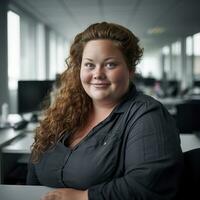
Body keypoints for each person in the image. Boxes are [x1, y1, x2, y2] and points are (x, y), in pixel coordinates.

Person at [26, 22, 184, 200]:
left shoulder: (147, 115)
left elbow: (148, 185)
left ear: (130, 70)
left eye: (110, 65)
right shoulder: (65, 111)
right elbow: (35, 165)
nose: (98, 73)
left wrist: (84, 197)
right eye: (89, 65)